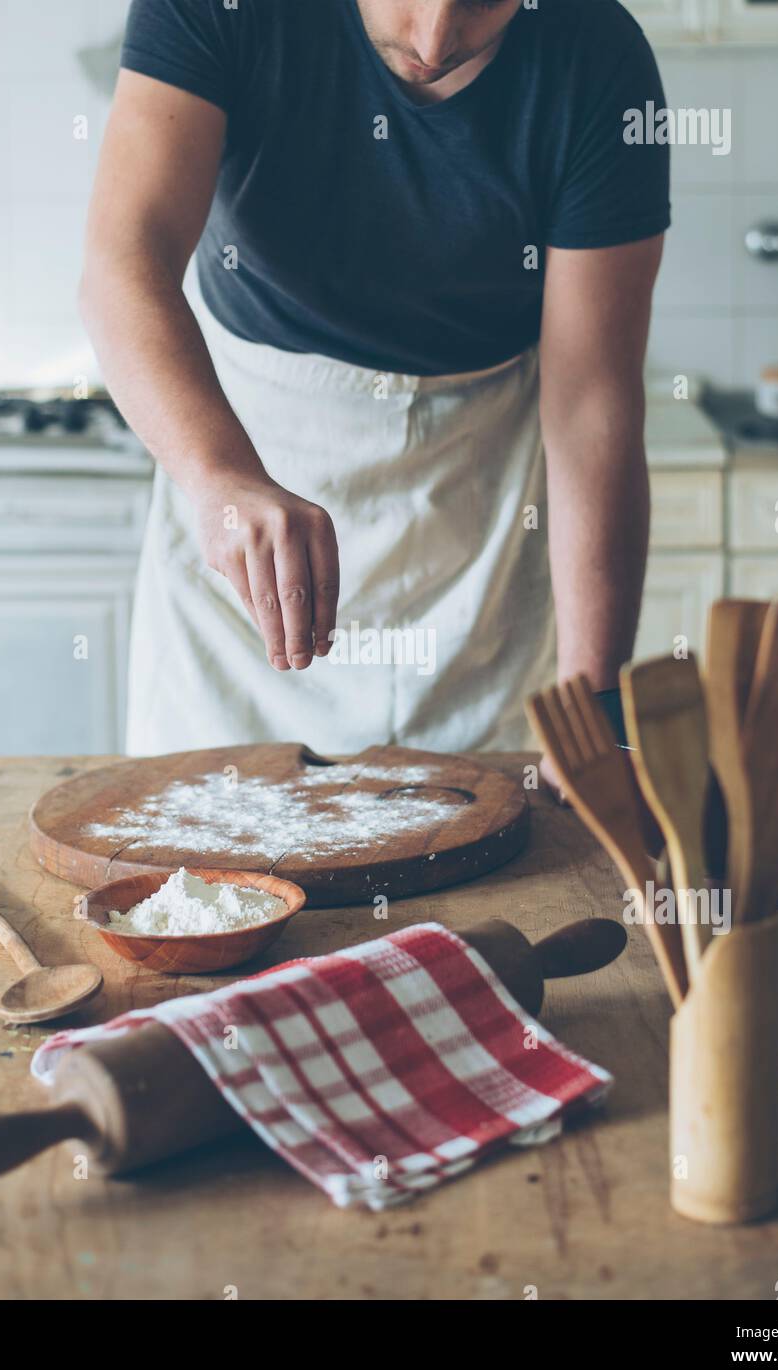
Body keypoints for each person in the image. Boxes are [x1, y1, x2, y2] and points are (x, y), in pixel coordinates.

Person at [79, 0, 669, 793]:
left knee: (489, 871)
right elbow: (124, 265)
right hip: (245, 472)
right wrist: (219, 474)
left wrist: (592, 709)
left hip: (479, 538)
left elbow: (592, 400)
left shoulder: (598, 55)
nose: (435, 40)